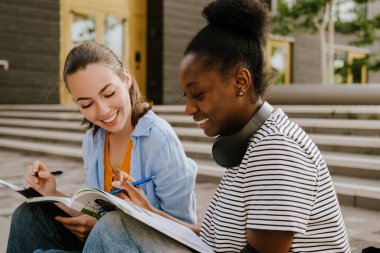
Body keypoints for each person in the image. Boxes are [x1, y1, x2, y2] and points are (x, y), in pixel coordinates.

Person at [80, 0, 352, 252]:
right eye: (186, 96)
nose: (188, 108)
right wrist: (147, 212)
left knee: (112, 228)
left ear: (240, 83)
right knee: (119, 224)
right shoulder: (250, 146)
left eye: (198, 95)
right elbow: (212, 240)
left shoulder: (276, 150)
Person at [6, 42, 197, 253]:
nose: (103, 110)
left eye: (108, 94)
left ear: (126, 78)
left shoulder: (160, 141)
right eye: (86, 104)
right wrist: (51, 193)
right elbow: (94, 213)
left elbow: (184, 235)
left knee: (108, 226)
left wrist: (110, 224)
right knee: (28, 214)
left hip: (140, 246)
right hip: (105, 241)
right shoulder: (94, 140)